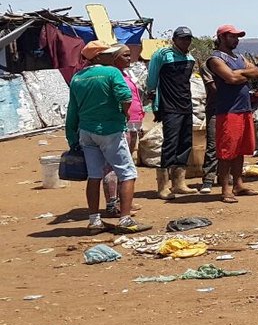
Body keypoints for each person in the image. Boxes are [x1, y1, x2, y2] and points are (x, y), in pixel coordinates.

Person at [66, 40, 151, 234]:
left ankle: (94, 221)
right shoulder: (112, 72)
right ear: (97, 57)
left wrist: (72, 138)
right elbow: (125, 97)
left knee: (94, 175)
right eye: (107, 54)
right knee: (128, 173)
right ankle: (125, 219)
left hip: (86, 132)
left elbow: (72, 111)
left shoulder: (78, 78)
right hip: (111, 130)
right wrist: (125, 114)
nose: (111, 56)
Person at [206, 24, 258, 203]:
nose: (236, 40)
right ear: (222, 38)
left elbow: (257, 71)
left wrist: (240, 73)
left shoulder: (238, 57)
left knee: (240, 150)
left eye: (237, 37)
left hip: (244, 108)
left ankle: (238, 184)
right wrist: (243, 75)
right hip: (228, 110)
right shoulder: (215, 59)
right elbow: (230, 78)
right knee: (226, 151)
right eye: (232, 36)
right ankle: (225, 190)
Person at [146, 27, 198, 199]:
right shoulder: (162, 55)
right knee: (170, 144)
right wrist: (154, 103)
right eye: (182, 39)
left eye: (188, 39)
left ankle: (179, 183)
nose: (186, 42)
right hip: (169, 106)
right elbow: (152, 80)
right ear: (174, 39)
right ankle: (163, 186)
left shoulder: (190, 57)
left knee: (185, 143)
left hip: (186, 105)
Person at [102, 46, 145, 218]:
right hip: (121, 122)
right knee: (114, 164)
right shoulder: (111, 74)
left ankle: (125, 200)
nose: (129, 58)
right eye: (125, 55)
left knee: (127, 163)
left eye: (129, 55)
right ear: (114, 58)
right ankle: (113, 203)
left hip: (134, 121)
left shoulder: (127, 74)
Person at [198, 62, 218, 194]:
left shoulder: (236, 61)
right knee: (213, 144)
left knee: (230, 144)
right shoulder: (208, 65)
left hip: (232, 109)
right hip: (215, 109)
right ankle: (209, 179)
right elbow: (213, 87)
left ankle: (226, 176)